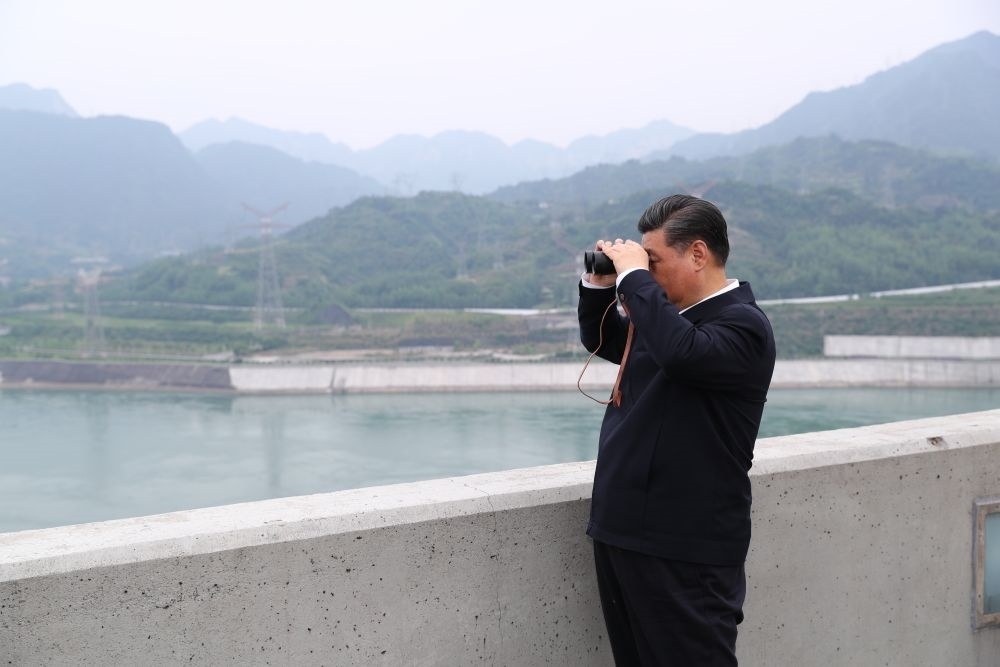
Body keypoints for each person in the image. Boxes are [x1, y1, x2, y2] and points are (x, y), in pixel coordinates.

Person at [578, 194, 776, 665]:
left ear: (698, 254)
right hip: (623, 531)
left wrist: (634, 278)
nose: (647, 274)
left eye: (655, 262)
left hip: (686, 546)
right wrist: (601, 285)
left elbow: (682, 354)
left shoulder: (742, 326)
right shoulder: (669, 323)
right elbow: (605, 340)